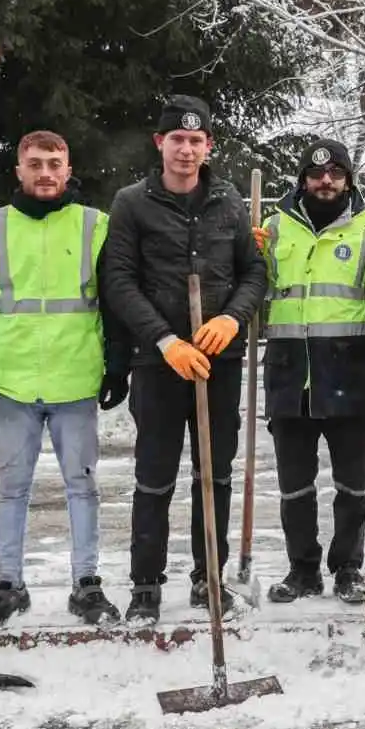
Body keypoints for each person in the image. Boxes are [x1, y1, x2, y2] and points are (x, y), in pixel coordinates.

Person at [0, 131, 127, 627]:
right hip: (13, 378)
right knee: (11, 488)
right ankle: (8, 584)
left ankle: (86, 584)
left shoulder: (95, 225)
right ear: (19, 171)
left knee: (82, 485)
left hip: (76, 375)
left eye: (54, 163)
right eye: (35, 163)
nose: (45, 172)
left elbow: (113, 300)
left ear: (68, 170)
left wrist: (118, 361)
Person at [100, 95, 267, 625]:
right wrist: (164, 341)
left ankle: (208, 577)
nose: (187, 150)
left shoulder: (229, 202)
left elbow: (255, 274)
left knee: (214, 475)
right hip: (159, 363)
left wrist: (232, 318)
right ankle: (146, 586)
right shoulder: (131, 203)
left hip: (219, 359)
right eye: (178, 139)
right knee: (155, 475)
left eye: (197, 141)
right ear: (161, 143)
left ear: (208, 146)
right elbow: (119, 282)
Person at [250, 138, 365, 605]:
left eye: (335, 173)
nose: (325, 181)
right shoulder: (272, 229)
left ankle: (348, 567)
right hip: (291, 375)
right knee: (295, 485)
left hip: (350, 373)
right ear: (303, 180)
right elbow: (253, 291)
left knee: (352, 484)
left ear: (348, 178)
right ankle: (302, 569)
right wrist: (244, 258)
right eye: (316, 174)